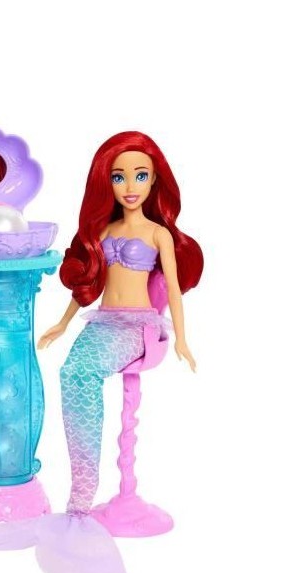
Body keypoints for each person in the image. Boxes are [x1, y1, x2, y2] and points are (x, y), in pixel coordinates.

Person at [38, 131, 203, 515]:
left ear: (155, 179)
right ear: (106, 182)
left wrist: (181, 338)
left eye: (140, 176)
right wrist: (63, 323)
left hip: (137, 327)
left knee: (83, 373)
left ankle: (83, 495)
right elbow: (90, 285)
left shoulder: (158, 234)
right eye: (119, 177)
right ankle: (82, 486)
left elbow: (173, 290)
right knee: (70, 372)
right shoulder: (104, 231)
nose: (130, 187)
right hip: (102, 322)